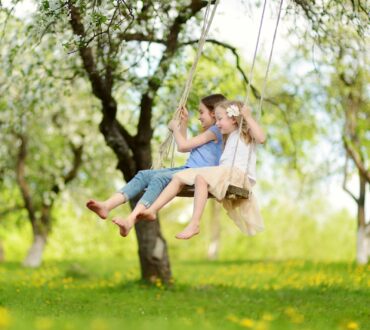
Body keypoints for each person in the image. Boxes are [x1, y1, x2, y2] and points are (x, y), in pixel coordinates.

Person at [86, 94, 226, 235]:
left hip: (197, 174)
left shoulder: (215, 131)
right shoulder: (209, 132)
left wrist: (175, 128)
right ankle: (107, 205)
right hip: (187, 170)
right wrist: (183, 123)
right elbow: (185, 147)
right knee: (144, 175)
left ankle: (130, 220)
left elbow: (183, 146)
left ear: (213, 114)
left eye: (201, 112)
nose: (199, 116)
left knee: (158, 179)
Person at [137, 100, 266, 239]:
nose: (216, 123)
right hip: (223, 173)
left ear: (234, 119)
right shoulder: (226, 137)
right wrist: (184, 123)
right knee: (180, 176)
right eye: (216, 119)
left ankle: (194, 224)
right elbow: (185, 145)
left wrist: (247, 117)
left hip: (236, 176)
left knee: (201, 177)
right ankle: (152, 210)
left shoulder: (245, 133)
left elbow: (262, 138)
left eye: (220, 119)